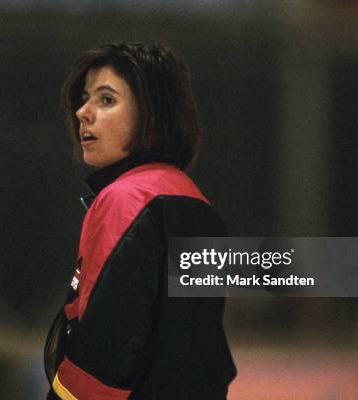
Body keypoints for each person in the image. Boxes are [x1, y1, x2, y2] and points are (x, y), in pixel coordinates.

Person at [44, 42, 236, 400]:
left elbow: (106, 347)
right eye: (85, 99)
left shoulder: (125, 200)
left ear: (152, 113)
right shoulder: (196, 202)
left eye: (106, 100)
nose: (83, 112)